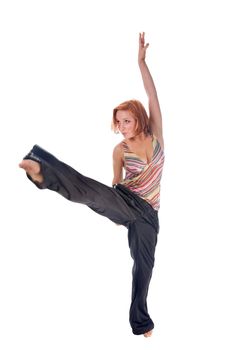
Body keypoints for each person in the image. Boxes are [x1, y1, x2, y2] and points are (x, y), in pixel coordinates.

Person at [19, 32, 165, 337]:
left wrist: (141, 62)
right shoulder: (119, 151)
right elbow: (114, 182)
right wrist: (112, 208)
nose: (122, 127)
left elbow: (152, 96)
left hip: (148, 217)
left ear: (139, 119)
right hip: (125, 200)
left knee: (143, 269)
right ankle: (41, 169)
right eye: (118, 122)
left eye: (127, 121)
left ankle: (142, 323)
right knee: (88, 191)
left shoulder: (156, 137)